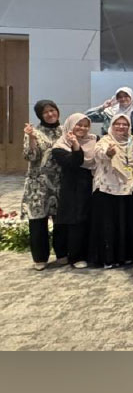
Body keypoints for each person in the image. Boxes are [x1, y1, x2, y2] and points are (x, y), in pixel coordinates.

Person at [88, 114, 133, 268]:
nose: (121, 127)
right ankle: (108, 258)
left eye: (125, 124)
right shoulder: (106, 141)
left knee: (124, 222)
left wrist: (129, 173)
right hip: (107, 187)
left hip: (127, 186)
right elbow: (99, 154)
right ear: (112, 125)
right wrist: (109, 153)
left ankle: (125, 256)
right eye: (117, 123)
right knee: (108, 224)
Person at [22, 100, 64, 270]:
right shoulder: (34, 132)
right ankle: (40, 258)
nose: (50, 114)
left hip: (60, 182)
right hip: (38, 184)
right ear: (40, 115)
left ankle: (62, 253)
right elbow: (30, 156)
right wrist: (31, 138)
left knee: (61, 220)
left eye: (52, 110)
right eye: (45, 112)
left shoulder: (64, 130)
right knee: (38, 221)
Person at [52, 113, 96, 268]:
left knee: (87, 218)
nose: (82, 128)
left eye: (85, 125)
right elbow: (75, 162)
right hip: (72, 186)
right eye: (79, 124)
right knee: (73, 219)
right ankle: (73, 256)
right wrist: (76, 146)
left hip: (90, 184)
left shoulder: (93, 140)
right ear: (70, 125)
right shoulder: (60, 146)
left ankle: (86, 253)